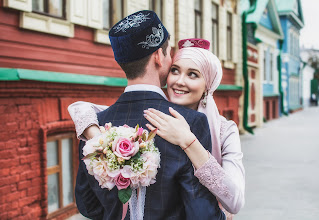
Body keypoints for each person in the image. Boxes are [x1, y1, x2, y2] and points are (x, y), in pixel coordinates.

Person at [71, 10, 225, 220]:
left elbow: (86, 203)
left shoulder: (92, 125)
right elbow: (201, 213)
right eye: (169, 53)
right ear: (158, 57)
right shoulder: (190, 122)